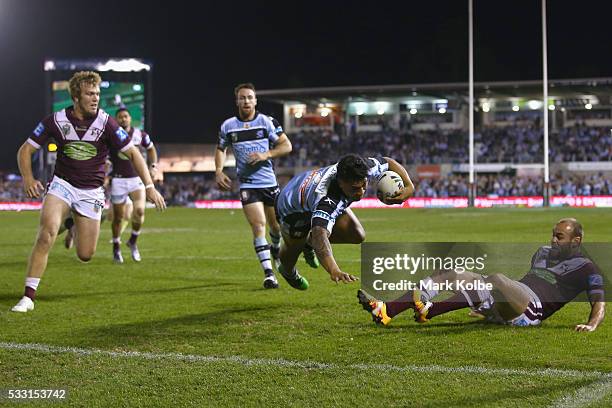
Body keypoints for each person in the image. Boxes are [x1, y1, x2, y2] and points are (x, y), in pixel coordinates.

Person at [11, 71, 166, 313]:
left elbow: (135, 154)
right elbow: (25, 150)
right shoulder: (55, 120)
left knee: (85, 254)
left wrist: (149, 187)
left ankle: (71, 222)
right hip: (62, 184)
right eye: (89, 94)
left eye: (97, 94)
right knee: (46, 234)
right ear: (75, 96)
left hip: (91, 192)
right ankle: (28, 296)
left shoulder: (107, 123)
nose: (95, 98)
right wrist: (28, 178)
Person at [358, 218, 606, 331]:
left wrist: (592, 324)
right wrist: (488, 302)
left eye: (559, 237)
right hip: (512, 300)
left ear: (577, 240)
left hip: (530, 312)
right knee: (452, 273)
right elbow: (527, 281)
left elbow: (599, 303)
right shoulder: (541, 252)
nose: (552, 240)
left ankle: (431, 310)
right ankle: (387, 310)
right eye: (553, 234)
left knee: (496, 278)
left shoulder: (586, 267)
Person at [275, 154, 414, 289]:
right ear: (341, 183)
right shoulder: (326, 198)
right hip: (292, 209)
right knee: (294, 247)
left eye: (364, 185)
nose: (361, 192)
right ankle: (288, 272)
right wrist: (334, 270)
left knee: (357, 235)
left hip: (307, 188)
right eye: (355, 188)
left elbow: (388, 162)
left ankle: (308, 243)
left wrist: (409, 186)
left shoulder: (363, 168)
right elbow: (320, 234)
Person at [215, 83, 292, 289]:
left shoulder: (266, 122)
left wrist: (266, 154)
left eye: (250, 97)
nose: (246, 101)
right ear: (237, 101)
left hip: (270, 184)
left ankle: (275, 249)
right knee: (259, 226)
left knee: (276, 227)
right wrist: (218, 170)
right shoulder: (228, 126)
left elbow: (287, 145)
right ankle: (269, 274)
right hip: (248, 185)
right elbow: (220, 148)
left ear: (255, 100)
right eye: (242, 97)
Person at [109, 108, 158, 263]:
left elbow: (151, 149)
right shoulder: (112, 136)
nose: (123, 119)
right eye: (120, 117)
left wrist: (153, 166)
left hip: (136, 179)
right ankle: (116, 245)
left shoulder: (140, 135)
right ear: (116, 120)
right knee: (118, 218)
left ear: (130, 118)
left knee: (140, 211)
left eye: (125, 116)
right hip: (118, 180)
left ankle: (133, 241)